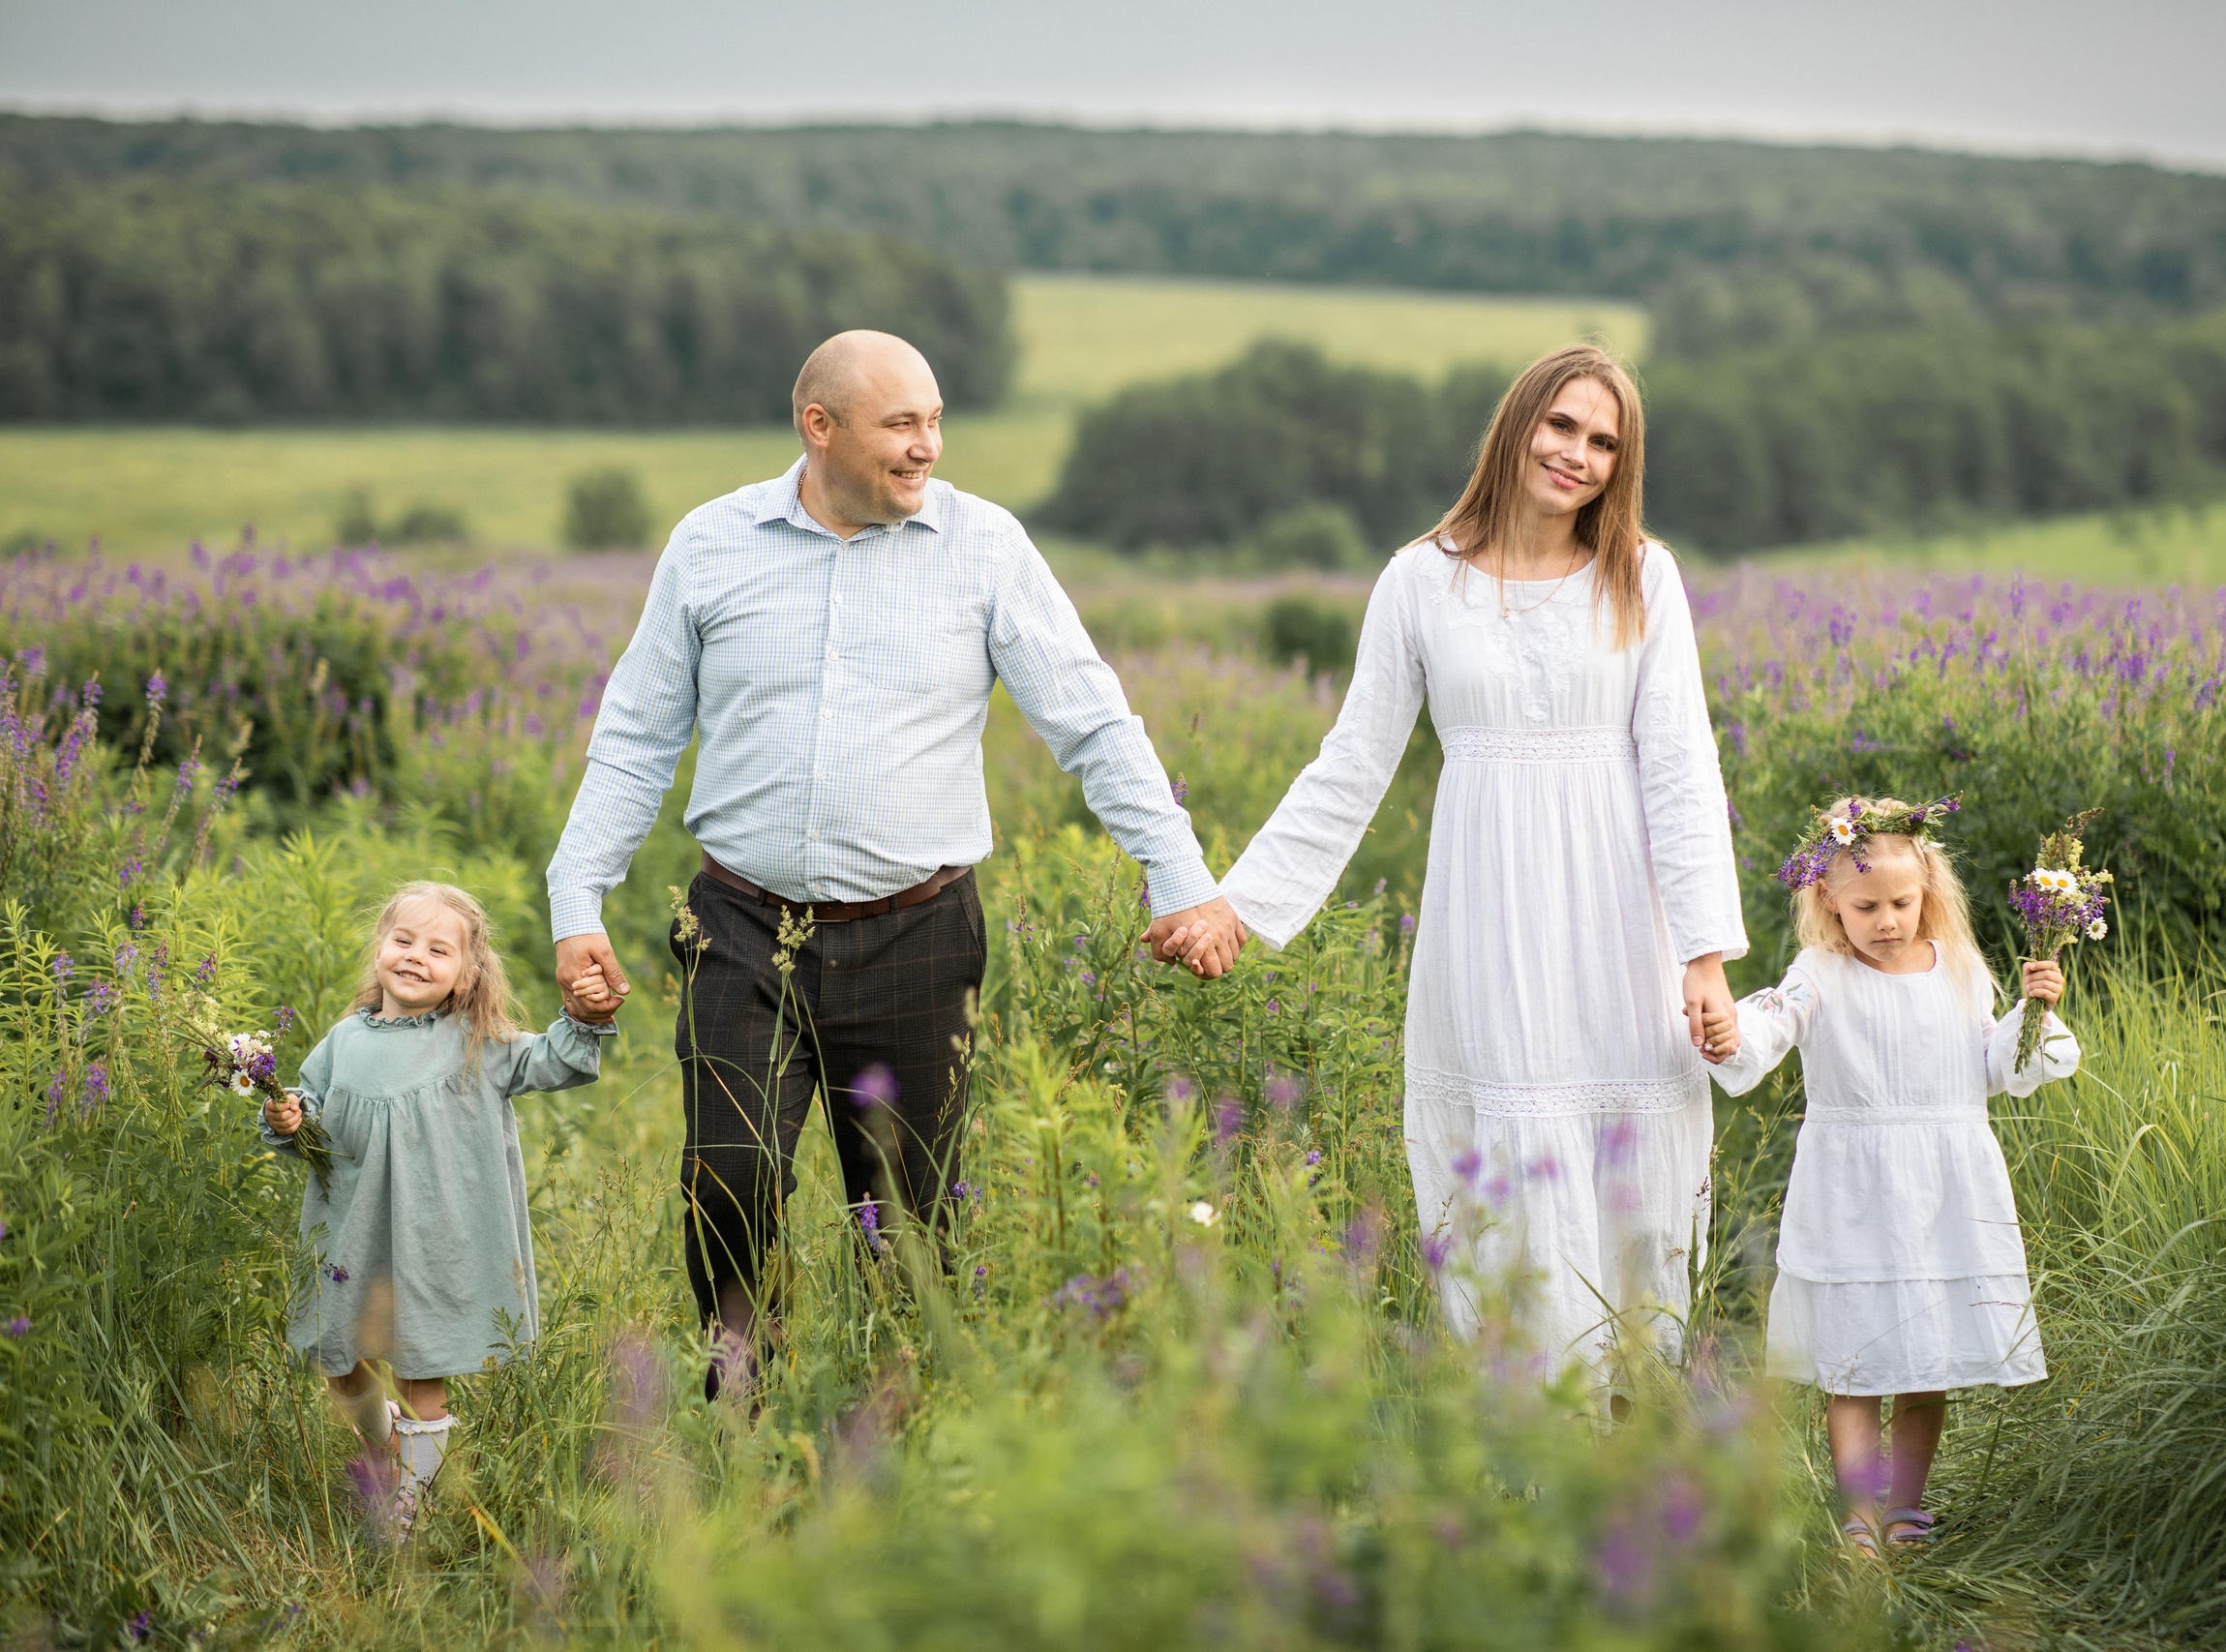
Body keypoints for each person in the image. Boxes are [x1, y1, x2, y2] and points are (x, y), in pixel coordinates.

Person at [548, 330, 1247, 1399]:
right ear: (818, 427)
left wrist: (1181, 876)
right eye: (901, 424)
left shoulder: (985, 547)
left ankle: (902, 1427)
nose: (927, 446)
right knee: (727, 1181)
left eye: (935, 421)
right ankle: (745, 1417)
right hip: (742, 931)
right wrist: (575, 899)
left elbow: (1093, 724)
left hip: (918, 937)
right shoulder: (710, 544)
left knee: (913, 1226)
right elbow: (637, 735)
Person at [1191, 343, 1747, 1383]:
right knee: (1511, 1146)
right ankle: (1535, 1417)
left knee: (1627, 1159)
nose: (1576, 454)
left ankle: (1635, 1416)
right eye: (1561, 425)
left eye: (1603, 442)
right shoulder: (1421, 579)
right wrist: (1238, 905)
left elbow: (1680, 764)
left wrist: (1704, 954)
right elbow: (1352, 762)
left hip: (1619, 914)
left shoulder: (1642, 576)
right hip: (1488, 909)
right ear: (1517, 424)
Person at [1700, 796, 2078, 1554]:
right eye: (1866, 906)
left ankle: (1905, 1508)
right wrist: (1731, 1030)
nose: (1886, 920)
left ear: (1926, 891)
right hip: (1854, 1192)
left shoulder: (1960, 969)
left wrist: (2032, 1012)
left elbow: (1991, 1065)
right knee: (1855, 1359)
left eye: (1901, 903)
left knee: (1923, 1360)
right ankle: (1859, 1517)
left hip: (1942, 1190)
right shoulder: (1821, 973)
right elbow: (1774, 1020)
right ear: (1828, 901)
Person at [259, 882, 617, 1535]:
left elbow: (554, 1060)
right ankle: (381, 1446)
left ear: (467, 974)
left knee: (422, 1367)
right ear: (379, 949)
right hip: (356, 1233)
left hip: (436, 1238)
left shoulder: (479, 1040)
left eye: (438, 949)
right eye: (403, 940)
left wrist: (584, 1015)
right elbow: (307, 1106)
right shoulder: (343, 1040)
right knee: (342, 1361)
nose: (415, 956)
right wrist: (288, 1116)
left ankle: (411, 1508)